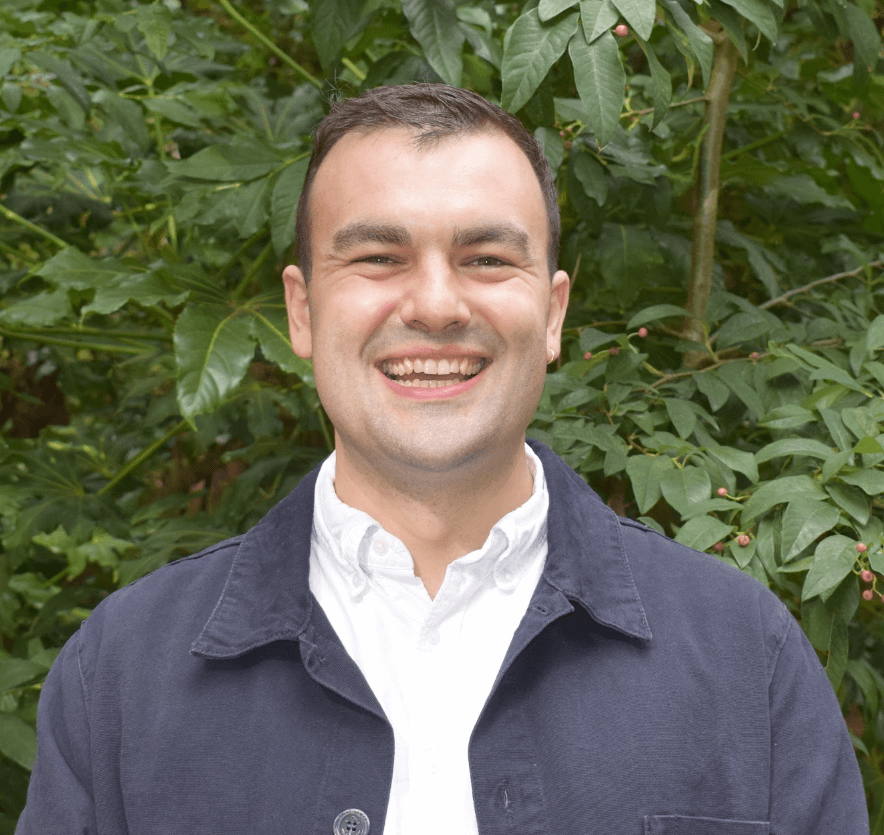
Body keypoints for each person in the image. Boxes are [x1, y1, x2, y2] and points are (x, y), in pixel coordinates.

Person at [17, 84, 867, 835]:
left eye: (487, 259)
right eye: (379, 258)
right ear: (302, 311)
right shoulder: (122, 675)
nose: (434, 304)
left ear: (554, 313)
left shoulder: (745, 659)